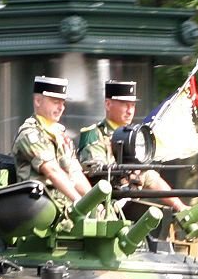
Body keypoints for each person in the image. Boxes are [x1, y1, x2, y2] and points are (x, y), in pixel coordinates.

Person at [78, 80, 187, 213]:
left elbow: (149, 177)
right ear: (108, 104)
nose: (130, 111)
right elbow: (95, 172)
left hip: (126, 202)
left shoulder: (135, 137)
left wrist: (179, 206)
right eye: (125, 105)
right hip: (99, 206)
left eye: (132, 105)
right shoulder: (94, 134)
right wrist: (128, 175)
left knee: (160, 216)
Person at [13, 76, 91, 212]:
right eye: (55, 102)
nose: (61, 108)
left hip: (64, 206)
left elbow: (75, 173)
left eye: (63, 103)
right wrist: (80, 203)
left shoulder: (60, 134)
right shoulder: (29, 133)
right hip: (41, 207)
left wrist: (94, 201)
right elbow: (52, 171)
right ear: (38, 101)